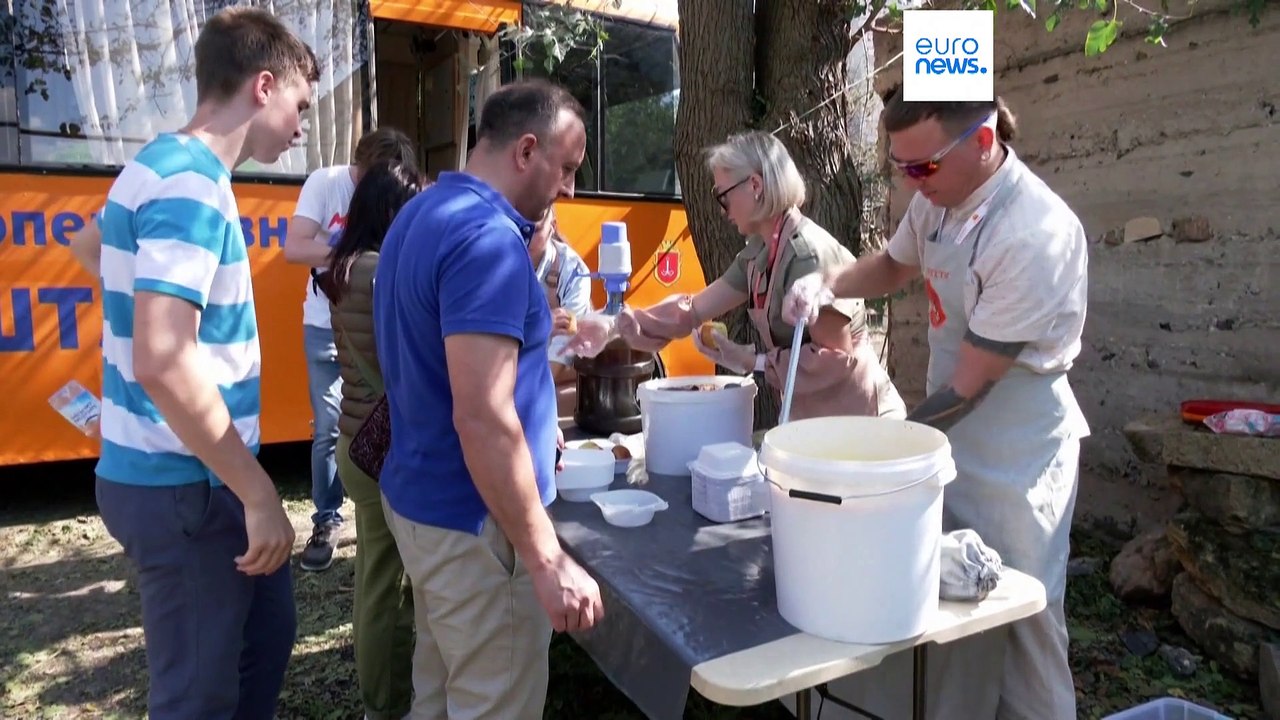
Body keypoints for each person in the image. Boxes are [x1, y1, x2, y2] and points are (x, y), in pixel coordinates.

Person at [783, 89, 1090, 719]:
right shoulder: (938, 199)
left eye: (922, 167)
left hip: (1016, 450)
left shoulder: (1034, 233)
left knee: (1024, 613)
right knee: (950, 605)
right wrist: (827, 281)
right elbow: (893, 268)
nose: (912, 184)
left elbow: (974, 385)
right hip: (952, 431)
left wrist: (880, 456)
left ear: (983, 142)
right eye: (900, 168)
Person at [92, 7, 317, 719]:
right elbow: (162, 357)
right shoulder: (189, 182)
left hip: (186, 474)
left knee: (265, 636)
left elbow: (91, 250)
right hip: (188, 485)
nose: (304, 124)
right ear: (262, 86)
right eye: (301, 104)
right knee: (198, 697)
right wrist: (257, 494)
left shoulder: (158, 165)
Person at [372, 78, 605, 719]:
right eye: (568, 168)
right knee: (492, 703)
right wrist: (545, 557)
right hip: (476, 527)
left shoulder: (422, 212)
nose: (570, 188)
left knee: (440, 694)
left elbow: (442, 370)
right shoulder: (487, 242)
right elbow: (482, 414)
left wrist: (536, 421)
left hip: (423, 504)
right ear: (527, 151)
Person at [606, 130, 905, 422]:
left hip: (861, 423)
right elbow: (693, 310)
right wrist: (623, 325)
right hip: (817, 421)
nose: (723, 211)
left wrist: (754, 362)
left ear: (755, 185)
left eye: (722, 196)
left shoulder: (807, 255)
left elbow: (835, 359)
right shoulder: (759, 253)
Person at [283, 127, 417, 572]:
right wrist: (355, 253)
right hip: (325, 324)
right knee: (329, 427)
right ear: (359, 165)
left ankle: (378, 511)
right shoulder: (325, 182)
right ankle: (326, 518)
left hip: (369, 325)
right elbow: (294, 247)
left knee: (376, 420)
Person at [326, 162, 423, 720]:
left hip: (356, 437)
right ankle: (381, 704)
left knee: (378, 572)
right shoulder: (385, 270)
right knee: (384, 583)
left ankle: (389, 688)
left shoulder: (344, 265)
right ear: (391, 210)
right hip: (384, 444)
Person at [529, 206, 593, 417]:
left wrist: (523, 397)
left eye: (535, 229)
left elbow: (561, 351)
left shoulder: (574, 271)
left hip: (552, 373)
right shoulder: (497, 262)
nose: (525, 236)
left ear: (552, 227)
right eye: (520, 228)